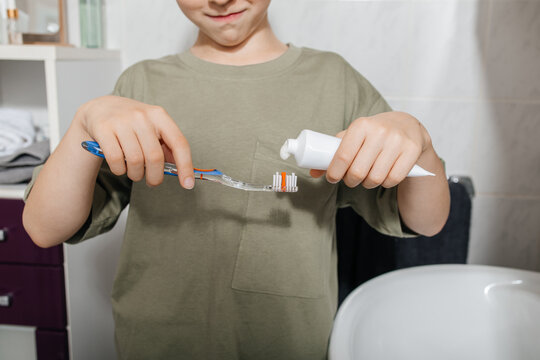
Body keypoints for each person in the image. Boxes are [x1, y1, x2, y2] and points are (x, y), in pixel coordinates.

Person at [22, 0, 450, 358]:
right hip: (153, 345)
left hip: (289, 345)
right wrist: (84, 124)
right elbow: (44, 228)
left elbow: (425, 221)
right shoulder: (140, 84)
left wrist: (420, 141)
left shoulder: (334, 82)